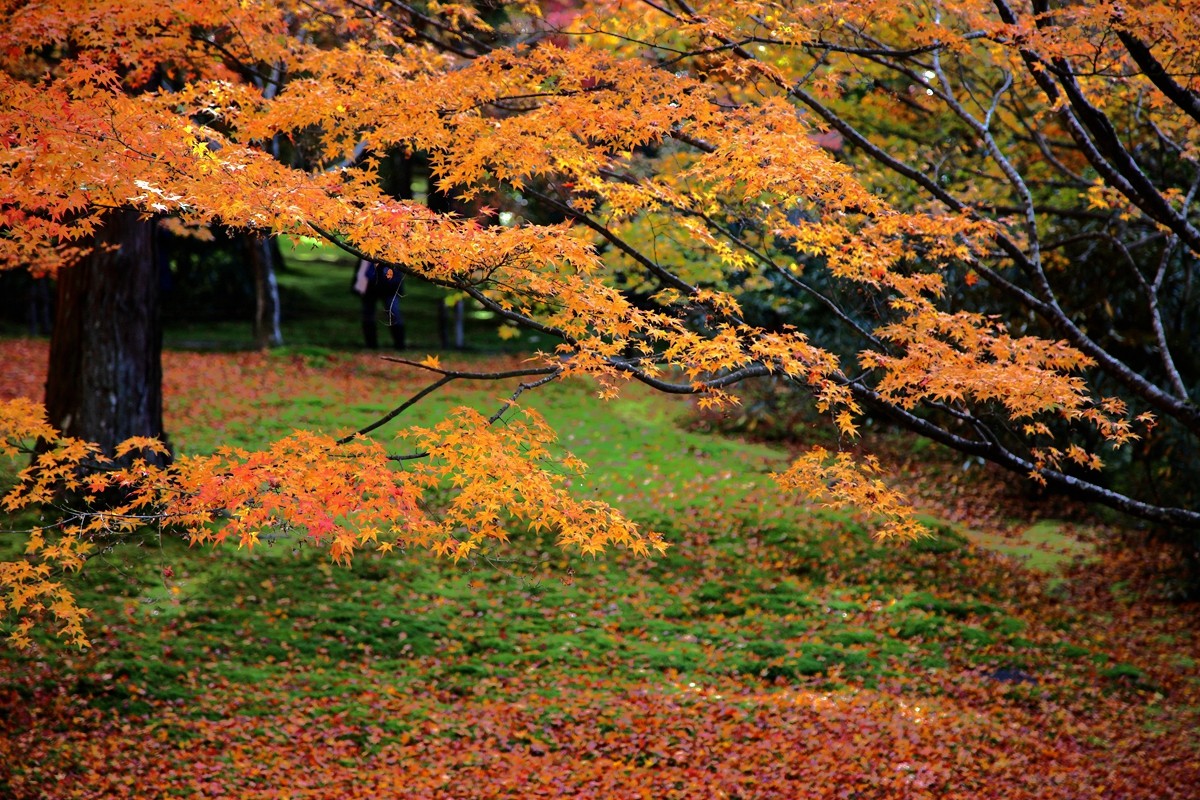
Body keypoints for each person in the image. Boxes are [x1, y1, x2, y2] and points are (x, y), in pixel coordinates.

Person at [352, 259, 406, 349]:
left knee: (393, 312)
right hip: (370, 286)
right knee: (368, 314)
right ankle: (371, 344)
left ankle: (399, 344)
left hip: (389, 286)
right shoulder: (367, 254)